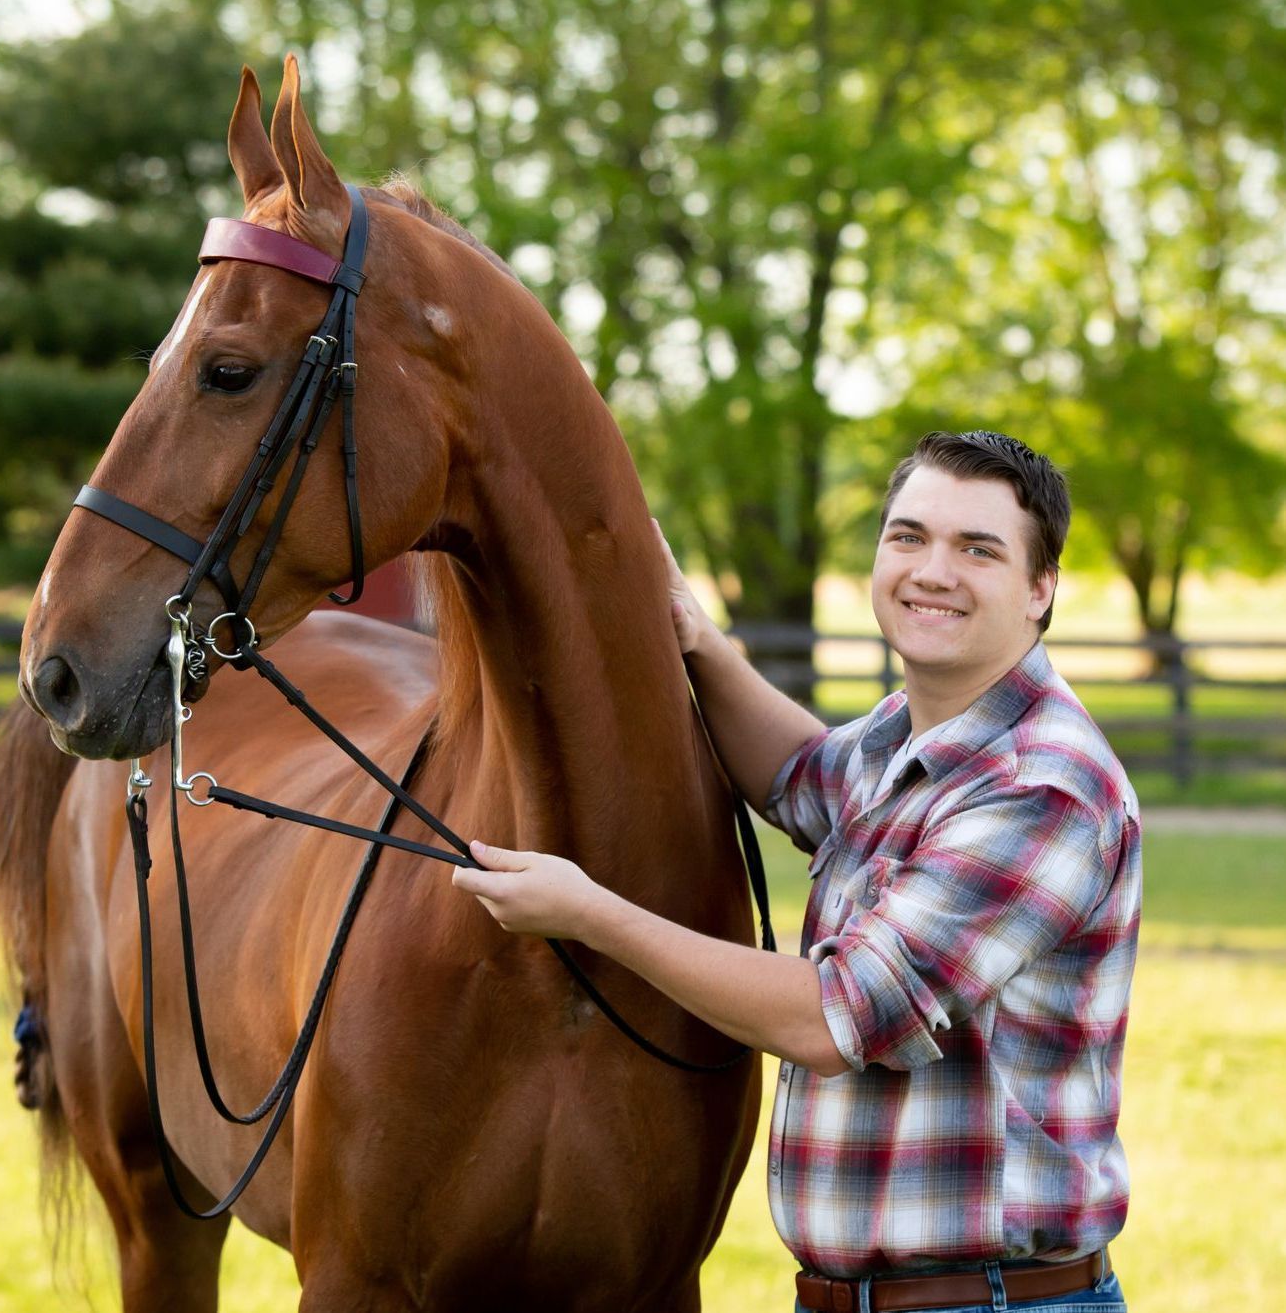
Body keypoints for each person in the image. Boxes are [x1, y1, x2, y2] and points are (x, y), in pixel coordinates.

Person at [453, 430, 1139, 1313]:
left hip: (991, 1301)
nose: (933, 570)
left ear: (1041, 589)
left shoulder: (1042, 787)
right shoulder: (913, 736)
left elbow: (839, 1017)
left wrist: (591, 916)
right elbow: (797, 774)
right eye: (908, 536)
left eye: (978, 549)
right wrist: (695, 637)